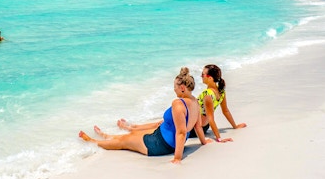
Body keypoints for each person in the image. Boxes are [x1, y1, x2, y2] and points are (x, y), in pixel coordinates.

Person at [78, 67, 208, 164]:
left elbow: (181, 132)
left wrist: (177, 158)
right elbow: (198, 127)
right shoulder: (195, 102)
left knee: (125, 141)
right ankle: (106, 136)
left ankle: (93, 142)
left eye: (175, 86)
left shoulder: (178, 104)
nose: (173, 89)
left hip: (160, 144)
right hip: (163, 137)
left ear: (183, 88)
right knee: (133, 134)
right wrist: (204, 142)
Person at [117, 64, 246, 143]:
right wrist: (234, 126)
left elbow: (211, 118)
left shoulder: (208, 95)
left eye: (203, 74)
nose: (201, 76)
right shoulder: (221, 91)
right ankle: (132, 127)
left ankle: (130, 128)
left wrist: (219, 138)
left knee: (160, 126)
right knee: (160, 123)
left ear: (210, 78)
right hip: (200, 126)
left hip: (196, 127)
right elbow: (225, 111)